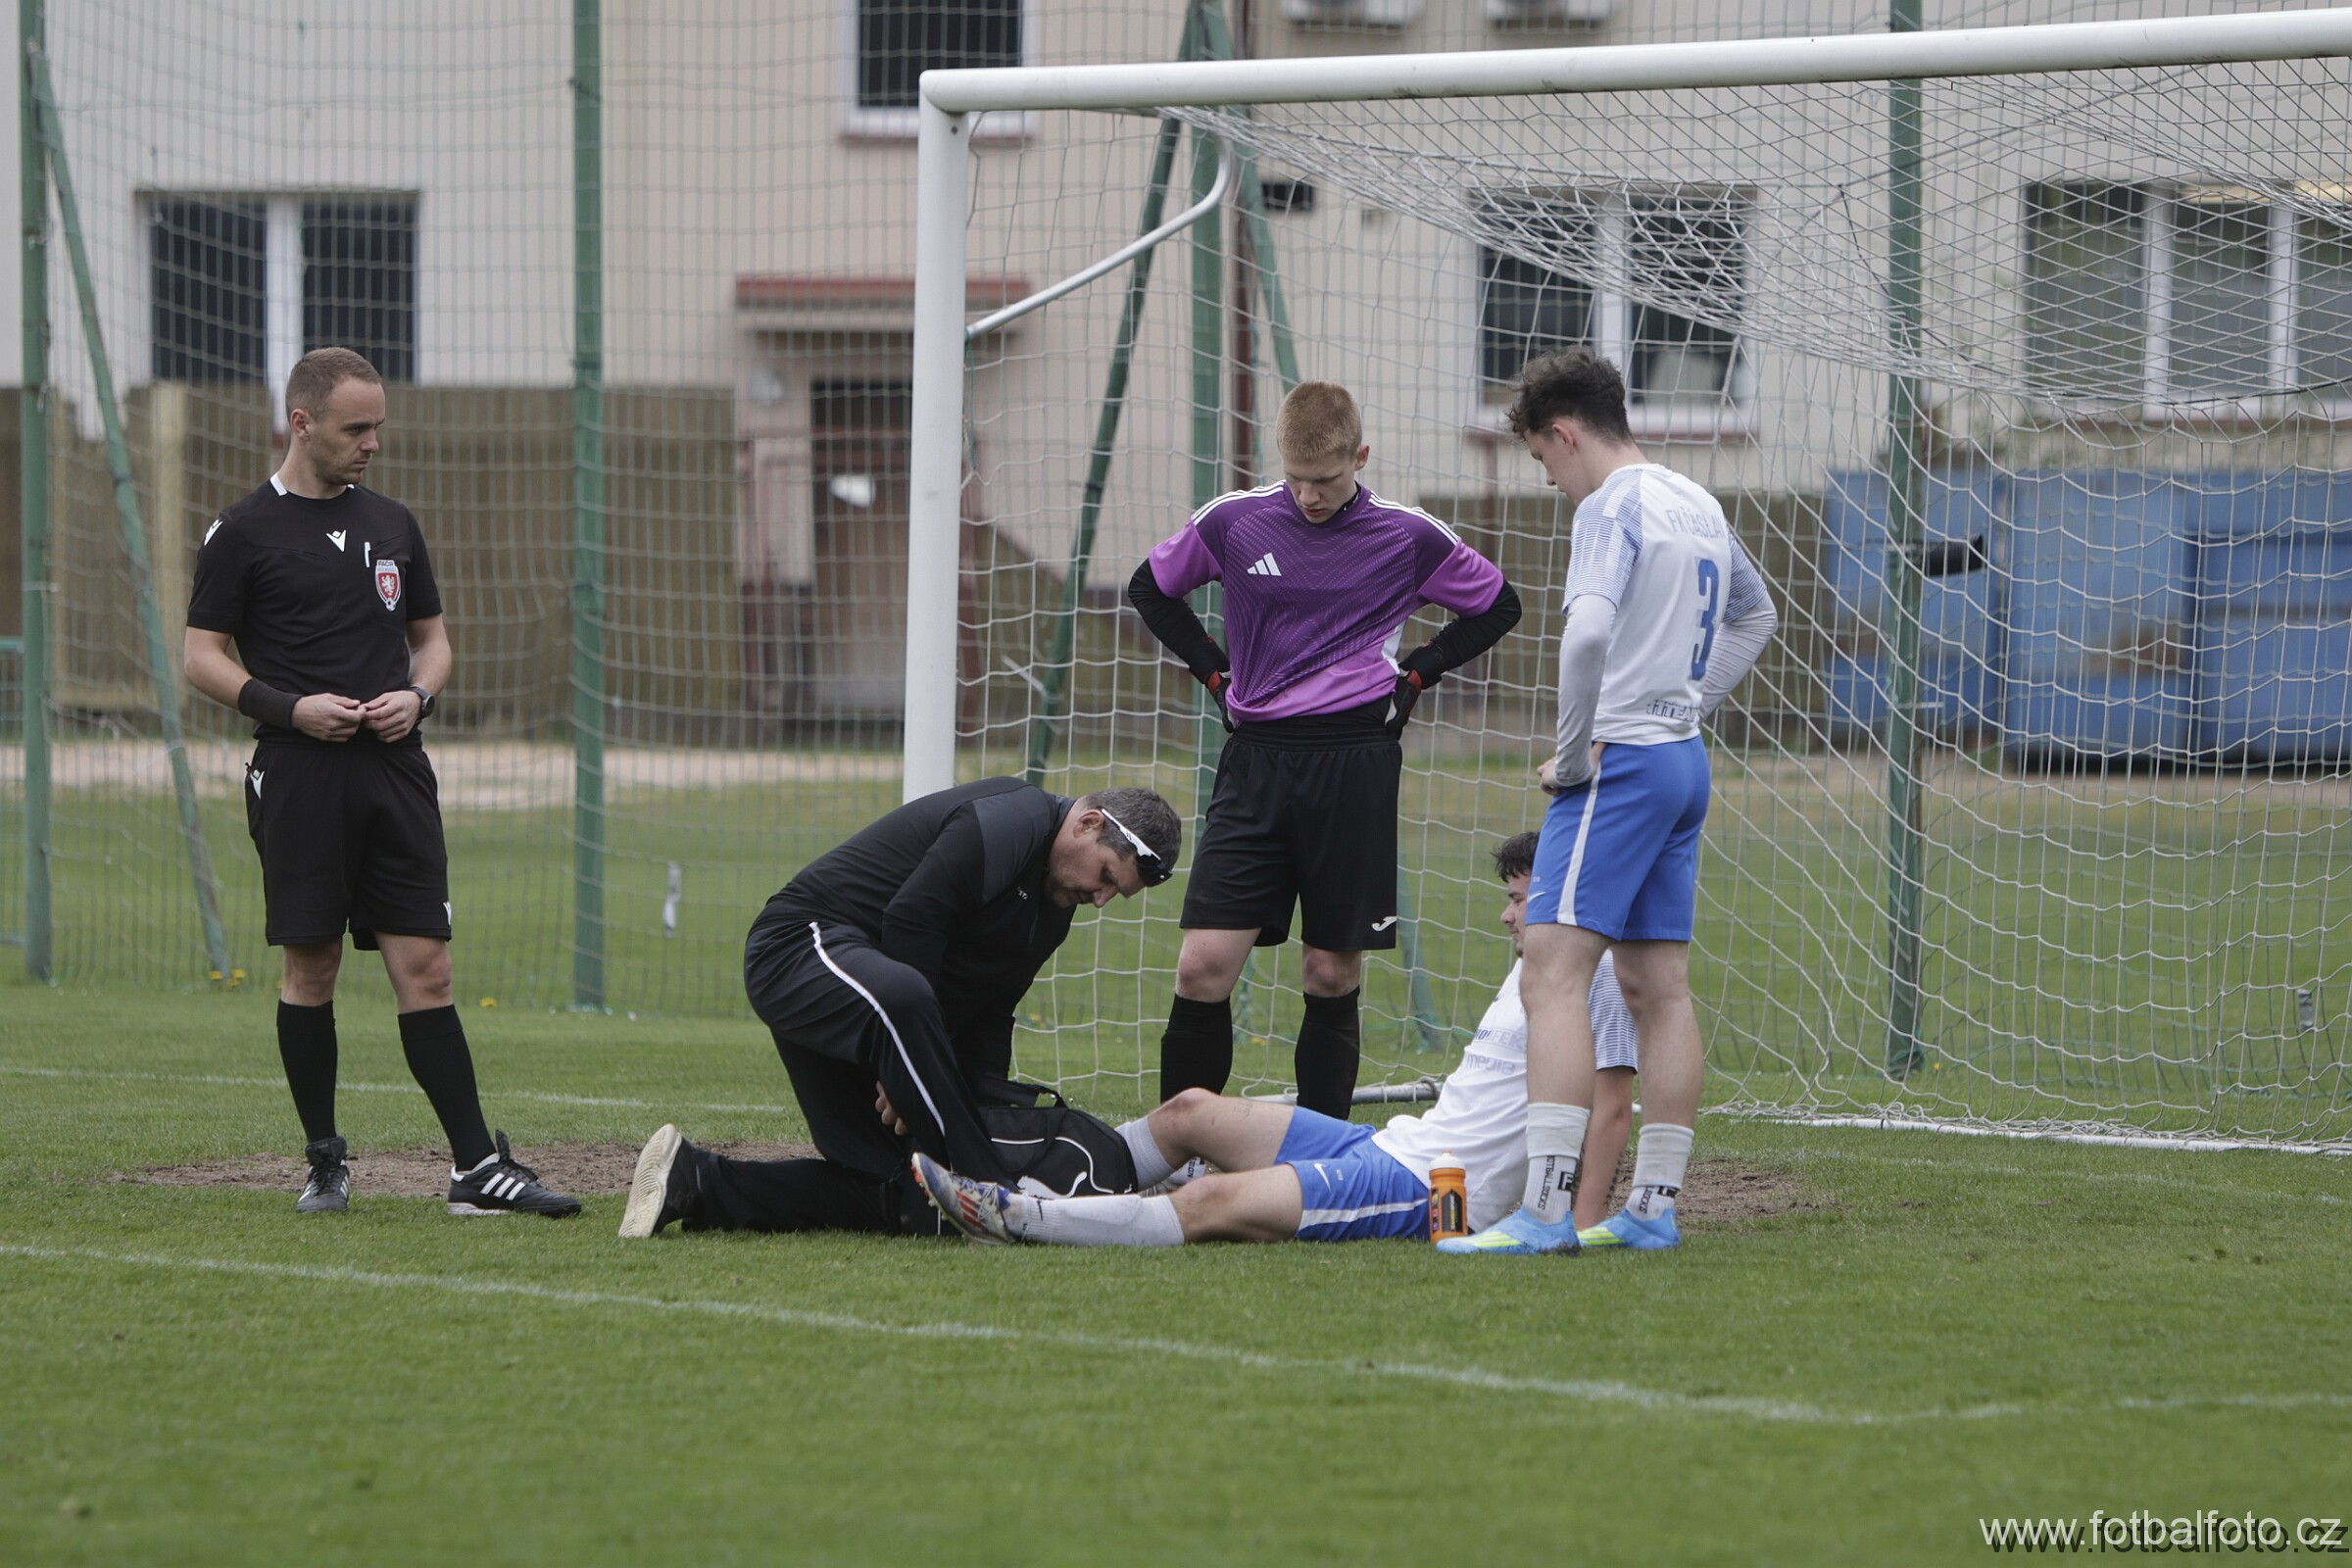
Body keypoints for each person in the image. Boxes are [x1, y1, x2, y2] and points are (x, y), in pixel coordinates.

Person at [182, 347, 578, 1217]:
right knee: (312, 966)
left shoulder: (394, 524)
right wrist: (290, 709)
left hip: (395, 771)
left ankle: (476, 1170)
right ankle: (325, 1162)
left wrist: (417, 695)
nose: (372, 444)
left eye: (378, 427)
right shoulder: (242, 531)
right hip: (299, 775)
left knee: (427, 967)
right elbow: (200, 657)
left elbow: (432, 641)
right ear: (301, 424)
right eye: (356, 428)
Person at [1442, 349, 1777, 1257]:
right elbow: (1757, 616)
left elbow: (1587, 632)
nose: (1552, 484)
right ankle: (1653, 1209)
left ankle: (1546, 1214)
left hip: (1624, 766)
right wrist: (1682, 709)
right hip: (1682, 762)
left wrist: (1575, 750)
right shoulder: (1695, 499)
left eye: (1543, 463)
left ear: (1564, 433)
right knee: (1658, 989)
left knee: (1550, 973)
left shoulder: (1611, 507)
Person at [909, 833, 1642, 1250]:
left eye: (1518, 900)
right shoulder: (1531, 967)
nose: (1507, 916)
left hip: (1429, 1195)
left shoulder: (1596, 978)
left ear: (1558, 897)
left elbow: (1610, 1109)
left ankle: (1021, 1216)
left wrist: (1575, 1231)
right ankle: (1060, 1181)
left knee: (1214, 1201)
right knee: (1191, 1111)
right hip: (1392, 1145)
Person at [1129, 380, 1521, 1118]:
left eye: (1326, 479)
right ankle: (1182, 1154)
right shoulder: (1235, 521)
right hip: (1255, 763)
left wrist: (1417, 674)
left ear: (1360, 457)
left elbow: (1499, 604)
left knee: (1330, 973)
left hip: (1354, 763)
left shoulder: (1408, 536)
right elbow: (1150, 588)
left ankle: (1317, 1161)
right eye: (1297, 479)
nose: (1309, 496)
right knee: (1202, 966)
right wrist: (1215, 674)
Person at [617, 779, 1182, 1240]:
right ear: (1087, 824)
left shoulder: (1054, 908)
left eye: (1116, 893)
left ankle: (697, 1181)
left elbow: (990, 1012)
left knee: (900, 1190)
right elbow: (913, 917)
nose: (1101, 899)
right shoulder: (1014, 820)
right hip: (797, 947)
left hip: (876, 1004)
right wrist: (902, 1064)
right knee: (908, 999)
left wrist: (979, 1101)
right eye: (1106, 876)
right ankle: (997, 1199)